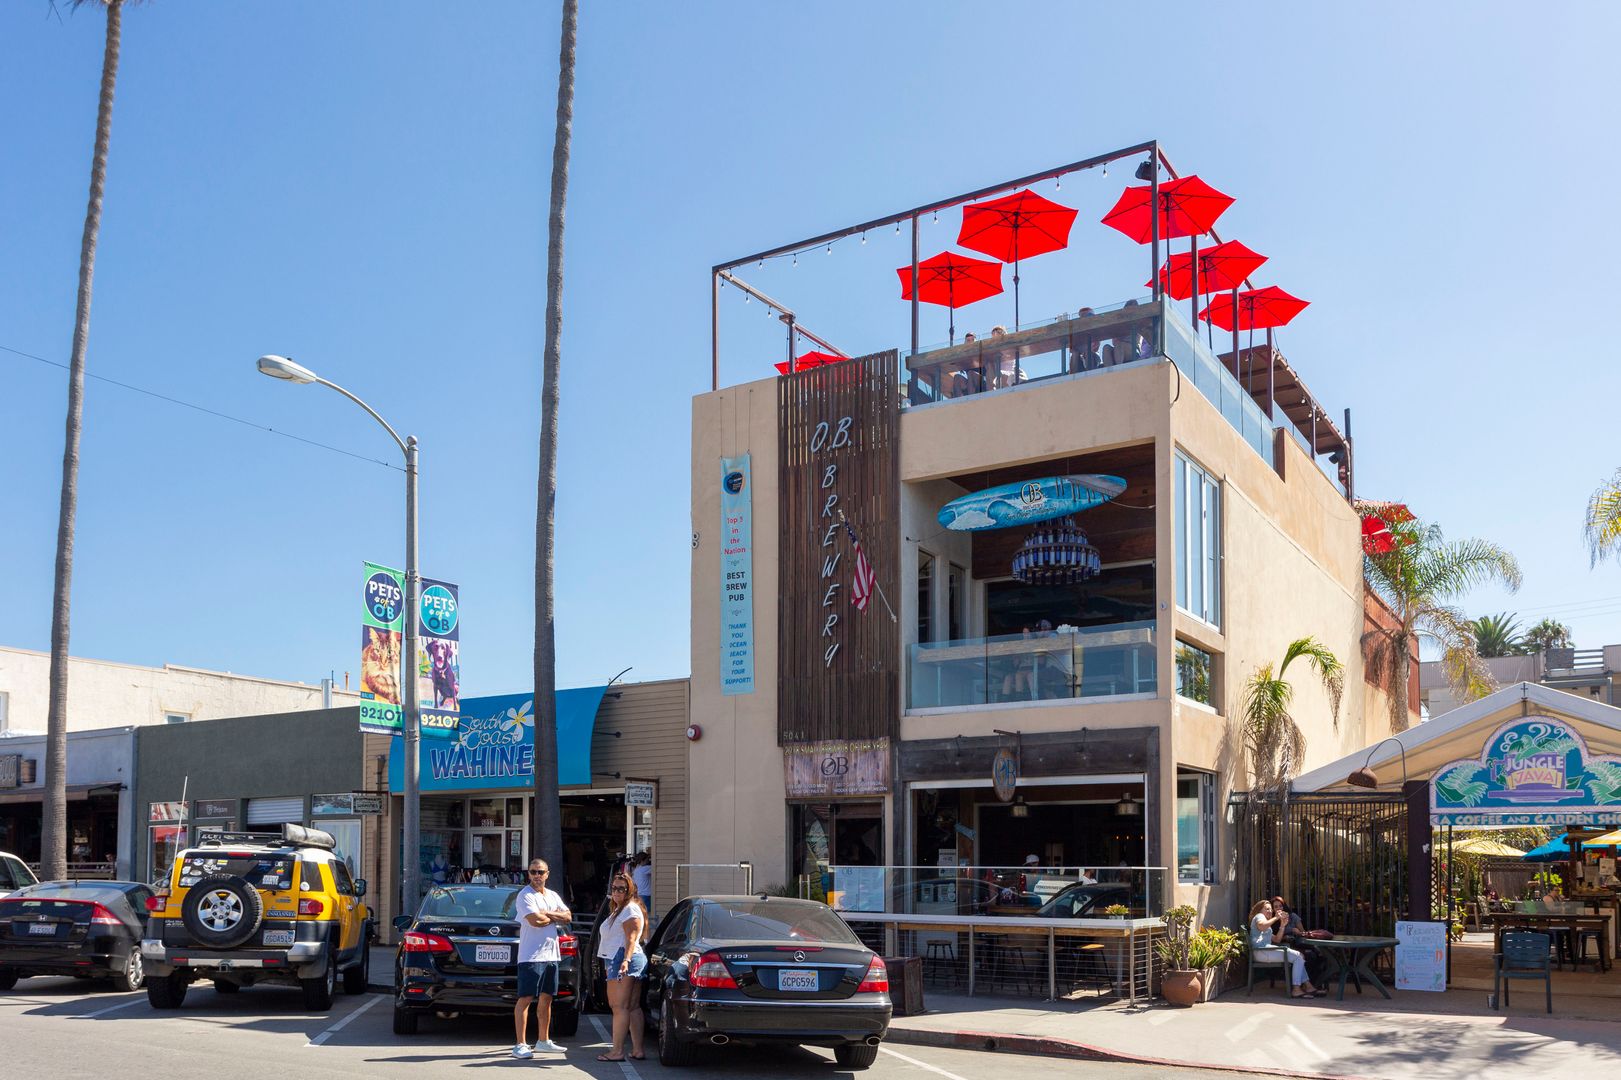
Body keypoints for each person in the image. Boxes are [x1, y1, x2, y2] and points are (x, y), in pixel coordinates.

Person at [512, 858, 572, 1058]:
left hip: (551, 955)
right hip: (530, 956)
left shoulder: (553, 895)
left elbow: (568, 916)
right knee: (526, 998)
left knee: (547, 998)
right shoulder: (525, 895)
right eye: (533, 872)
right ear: (528, 873)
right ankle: (520, 1044)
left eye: (540, 872)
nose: (537, 876)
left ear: (547, 874)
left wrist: (547, 913)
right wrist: (554, 916)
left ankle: (543, 1041)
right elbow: (535, 921)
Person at [594, 872, 648, 1062]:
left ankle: (617, 1051)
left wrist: (625, 960)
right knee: (632, 1006)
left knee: (619, 1007)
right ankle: (637, 1050)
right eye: (614, 888)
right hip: (626, 959)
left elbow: (631, 939)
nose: (616, 892)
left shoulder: (630, 909)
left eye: (621, 889)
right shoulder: (621, 909)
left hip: (623, 959)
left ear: (629, 891)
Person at [1249, 899, 1319, 998]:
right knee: (1298, 956)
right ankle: (1296, 989)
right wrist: (1276, 917)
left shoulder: (1266, 924)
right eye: (1267, 909)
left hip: (1264, 951)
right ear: (1260, 910)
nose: (1270, 911)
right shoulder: (1259, 916)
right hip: (1262, 951)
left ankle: (1308, 986)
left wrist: (1282, 925)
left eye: (1270, 909)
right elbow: (1262, 926)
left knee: (1299, 956)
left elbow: (1277, 940)